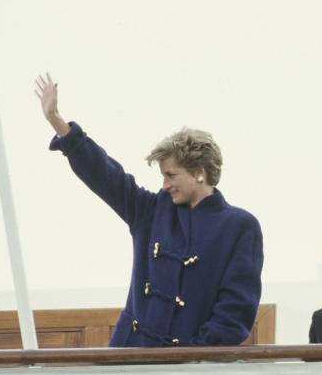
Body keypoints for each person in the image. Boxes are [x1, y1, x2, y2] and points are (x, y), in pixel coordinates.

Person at [34, 73, 263, 347]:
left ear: (200, 173)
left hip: (191, 374)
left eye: (171, 175)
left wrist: (192, 358)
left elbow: (235, 312)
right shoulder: (151, 212)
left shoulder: (239, 226)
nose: (164, 185)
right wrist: (58, 122)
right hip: (128, 363)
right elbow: (106, 176)